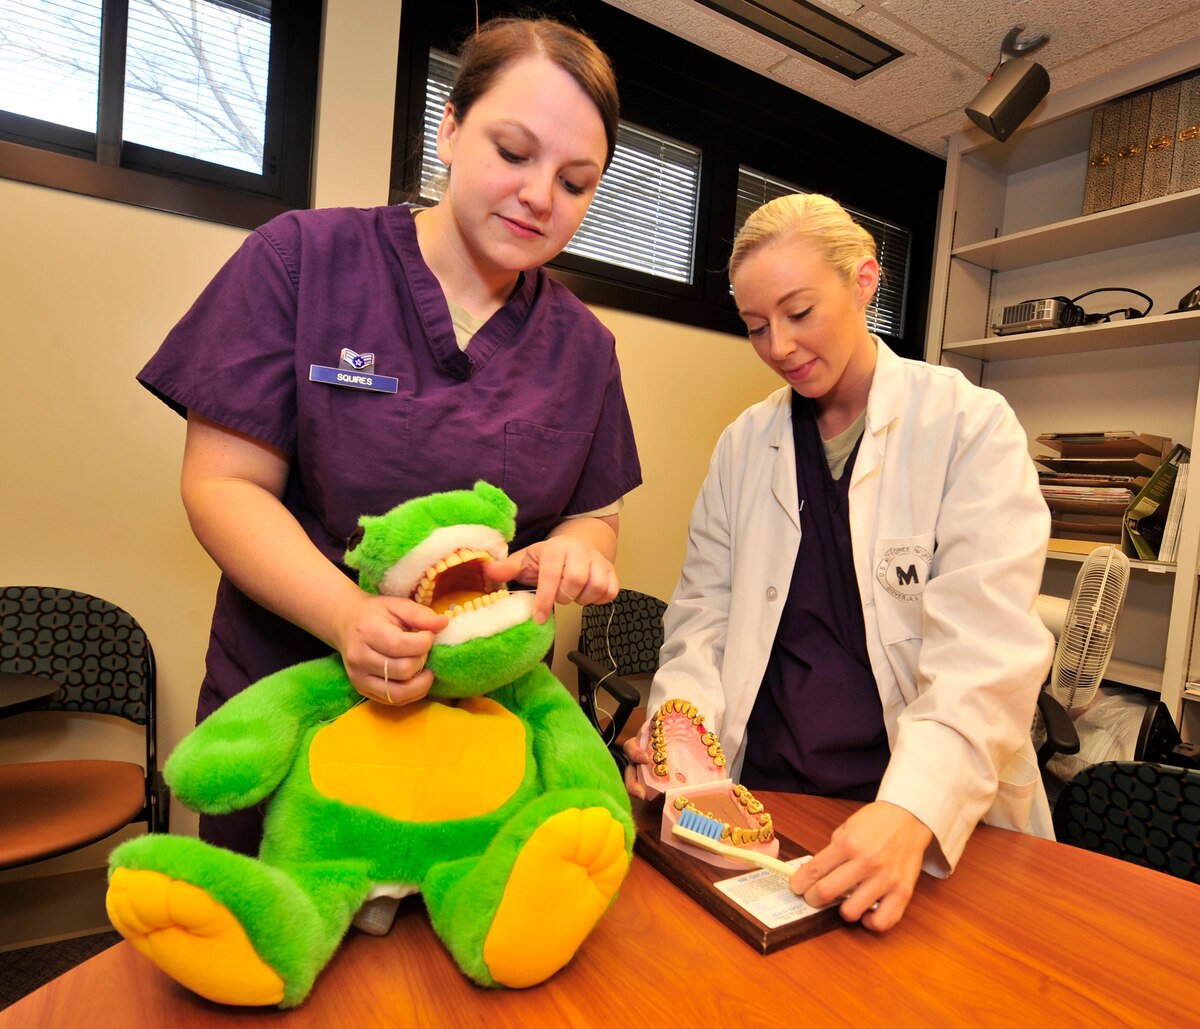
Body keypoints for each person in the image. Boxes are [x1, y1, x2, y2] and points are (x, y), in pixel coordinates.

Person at [138, 17, 641, 855]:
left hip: (477, 748)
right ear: (447, 127)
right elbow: (222, 484)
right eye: (513, 153)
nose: (541, 196)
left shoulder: (585, 347)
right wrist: (346, 615)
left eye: (577, 181)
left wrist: (579, 552)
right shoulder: (303, 259)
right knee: (277, 945)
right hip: (295, 712)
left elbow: (594, 514)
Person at [625, 193, 1054, 930]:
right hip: (771, 797)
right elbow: (703, 617)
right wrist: (681, 734)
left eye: (799, 312)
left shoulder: (967, 426)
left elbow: (987, 653)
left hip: (915, 803)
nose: (780, 346)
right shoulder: (743, 445)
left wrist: (913, 806)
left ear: (864, 282)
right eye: (756, 327)